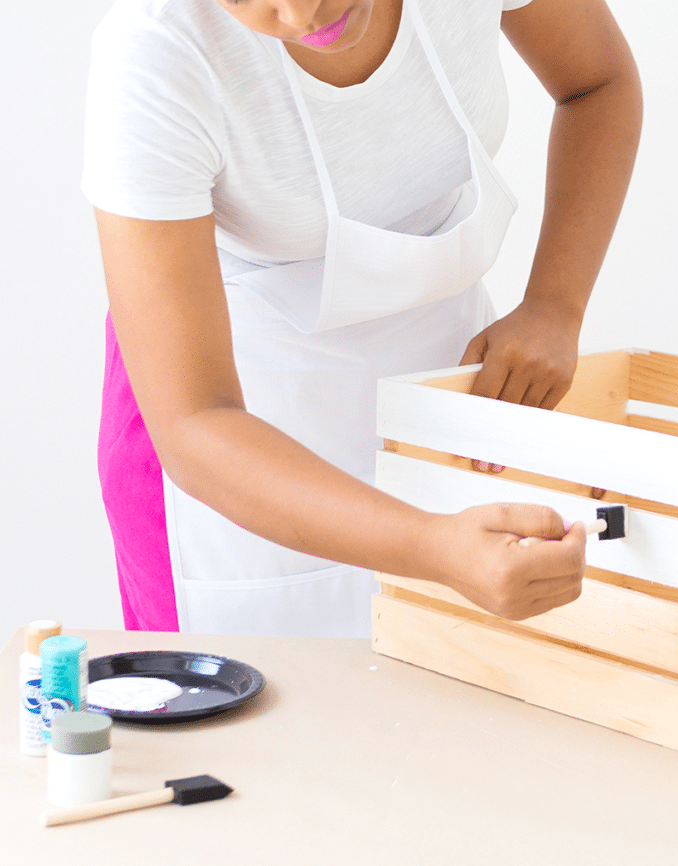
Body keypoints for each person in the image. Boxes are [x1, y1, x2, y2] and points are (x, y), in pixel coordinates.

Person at [83, 0, 642, 638]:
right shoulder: (155, 55)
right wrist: (435, 547)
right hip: (232, 434)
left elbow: (597, 82)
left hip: (443, 378)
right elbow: (193, 423)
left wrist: (555, 304)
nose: (299, 13)